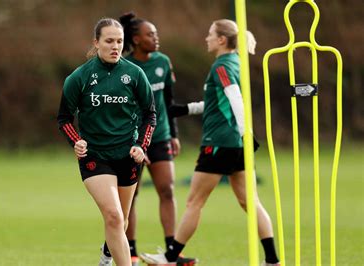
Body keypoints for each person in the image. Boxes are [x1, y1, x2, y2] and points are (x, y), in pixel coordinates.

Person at [140, 19, 280, 266]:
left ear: (221, 40)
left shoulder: (221, 66)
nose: (206, 38)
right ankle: (272, 260)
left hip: (219, 143)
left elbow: (235, 99)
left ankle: (170, 258)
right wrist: (187, 109)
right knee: (250, 201)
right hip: (235, 144)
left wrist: (245, 132)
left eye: (210, 34)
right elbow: (217, 104)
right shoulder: (236, 63)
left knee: (194, 202)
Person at [57, 18, 156, 266]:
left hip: (127, 156)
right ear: (96, 42)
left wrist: (141, 147)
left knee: (120, 220)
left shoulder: (135, 74)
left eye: (119, 41)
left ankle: (106, 257)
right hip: (96, 157)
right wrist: (76, 142)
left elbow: (149, 115)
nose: (115, 46)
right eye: (109, 41)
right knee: (113, 216)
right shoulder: (79, 78)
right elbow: (64, 118)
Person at [117, 12, 182, 266]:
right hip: (133, 141)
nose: (156, 37)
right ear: (136, 39)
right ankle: (131, 251)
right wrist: (134, 142)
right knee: (131, 196)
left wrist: (174, 134)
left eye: (156, 33)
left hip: (161, 136)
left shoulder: (163, 62)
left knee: (167, 190)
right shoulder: (125, 68)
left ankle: (170, 251)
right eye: (150, 34)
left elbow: (169, 100)